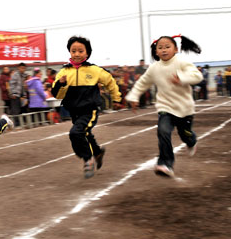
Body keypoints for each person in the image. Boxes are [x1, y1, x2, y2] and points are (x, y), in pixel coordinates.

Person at [126, 34, 203, 178]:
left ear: (175, 49)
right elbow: (142, 83)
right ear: (156, 52)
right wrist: (134, 96)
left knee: (185, 134)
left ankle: (191, 141)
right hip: (165, 108)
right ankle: (166, 163)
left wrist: (181, 78)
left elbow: (197, 76)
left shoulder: (181, 62)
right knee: (163, 132)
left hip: (184, 109)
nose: (164, 50)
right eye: (160, 48)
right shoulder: (154, 68)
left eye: (167, 47)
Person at [51, 36, 121, 179]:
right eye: (73, 51)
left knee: (76, 133)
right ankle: (97, 152)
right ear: (69, 52)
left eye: (80, 51)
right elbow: (57, 94)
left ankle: (88, 159)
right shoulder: (64, 72)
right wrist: (61, 84)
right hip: (74, 110)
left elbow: (110, 81)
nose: (76, 54)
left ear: (87, 53)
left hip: (90, 109)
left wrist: (117, 98)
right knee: (85, 133)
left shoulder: (94, 70)